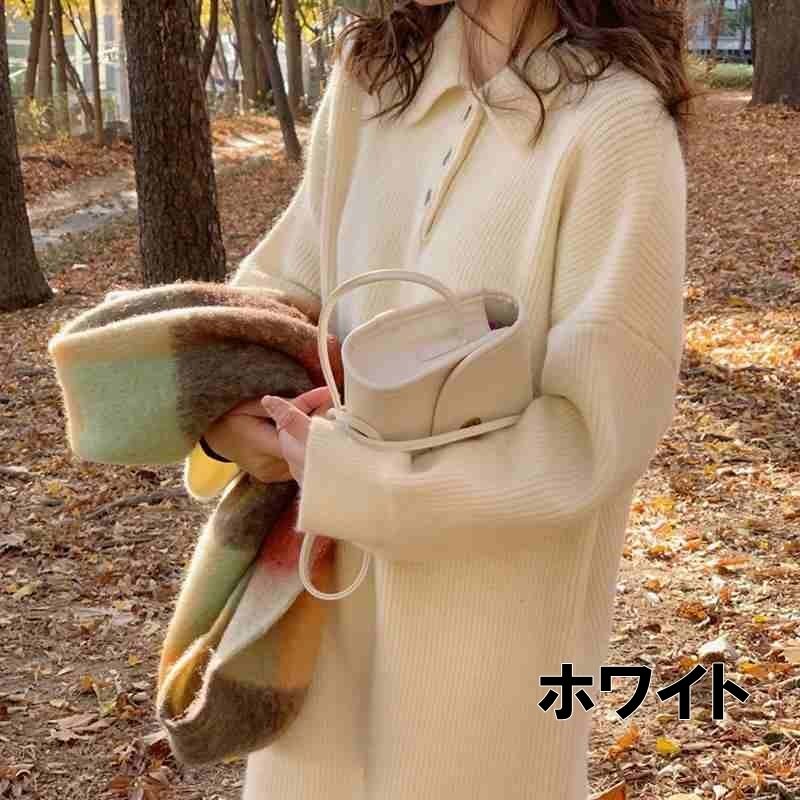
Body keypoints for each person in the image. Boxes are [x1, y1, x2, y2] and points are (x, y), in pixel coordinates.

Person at [185, 0, 692, 798]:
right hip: (314, 628)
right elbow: (283, 293)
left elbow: (591, 434)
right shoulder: (374, 82)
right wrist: (228, 413)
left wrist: (361, 482)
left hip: (487, 652)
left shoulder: (615, 125)